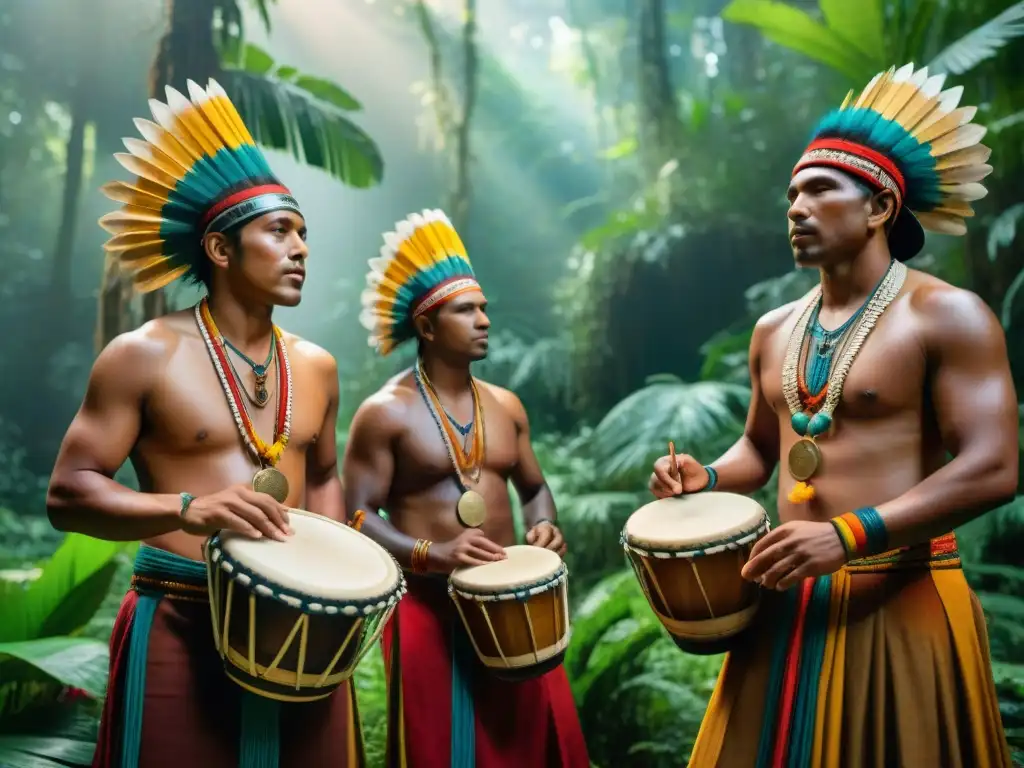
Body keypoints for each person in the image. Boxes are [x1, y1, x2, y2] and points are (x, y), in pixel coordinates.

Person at [648, 63, 1017, 766]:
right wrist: (706, 475)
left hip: (901, 596)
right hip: (787, 596)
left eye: (819, 189)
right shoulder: (774, 329)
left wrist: (850, 535)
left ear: (879, 207)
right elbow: (762, 451)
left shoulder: (947, 315)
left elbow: (994, 469)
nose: (795, 207)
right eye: (791, 193)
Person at [46, 79, 364, 768]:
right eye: (279, 231)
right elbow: (68, 492)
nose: (301, 248)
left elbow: (328, 474)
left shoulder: (317, 367)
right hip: (180, 615)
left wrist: (336, 568)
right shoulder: (143, 355)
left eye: (305, 233)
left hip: (305, 626)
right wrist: (186, 509)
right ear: (221, 251)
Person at [343, 209, 590, 767]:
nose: (483, 321)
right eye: (466, 311)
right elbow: (355, 515)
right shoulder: (385, 413)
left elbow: (534, 488)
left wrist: (544, 522)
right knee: (440, 746)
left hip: (513, 599)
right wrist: (432, 554)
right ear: (427, 327)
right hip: (427, 607)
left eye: (484, 309)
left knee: (531, 742)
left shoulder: (505, 406)